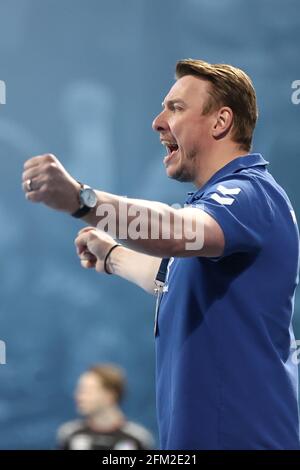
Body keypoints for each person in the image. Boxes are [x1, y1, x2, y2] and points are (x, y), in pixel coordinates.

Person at [22, 59, 300, 450]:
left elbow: (176, 233)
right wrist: (113, 256)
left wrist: (83, 200)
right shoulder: (223, 216)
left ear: (220, 122)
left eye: (176, 108)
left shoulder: (250, 193)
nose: (157, 121)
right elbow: (172, 277)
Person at [57, 364, 154, 450]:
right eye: (79, 390)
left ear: (109, 395)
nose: (78, 396)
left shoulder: (138, 439)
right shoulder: (69, 434)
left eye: (87, 391)